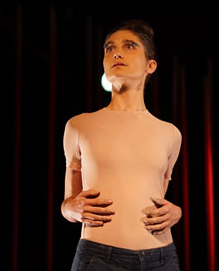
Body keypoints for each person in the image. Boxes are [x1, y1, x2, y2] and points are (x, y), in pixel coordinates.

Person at [61, 19, 183, 271]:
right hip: (99, 258)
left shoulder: (170, 133)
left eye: (129, 46)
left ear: (150, 65)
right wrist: (71, 209)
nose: (116, 53)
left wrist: (177, 213)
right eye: (109, 48)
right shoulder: (79, 126)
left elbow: (157, 195)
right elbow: (68, 203)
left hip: (161, 258)